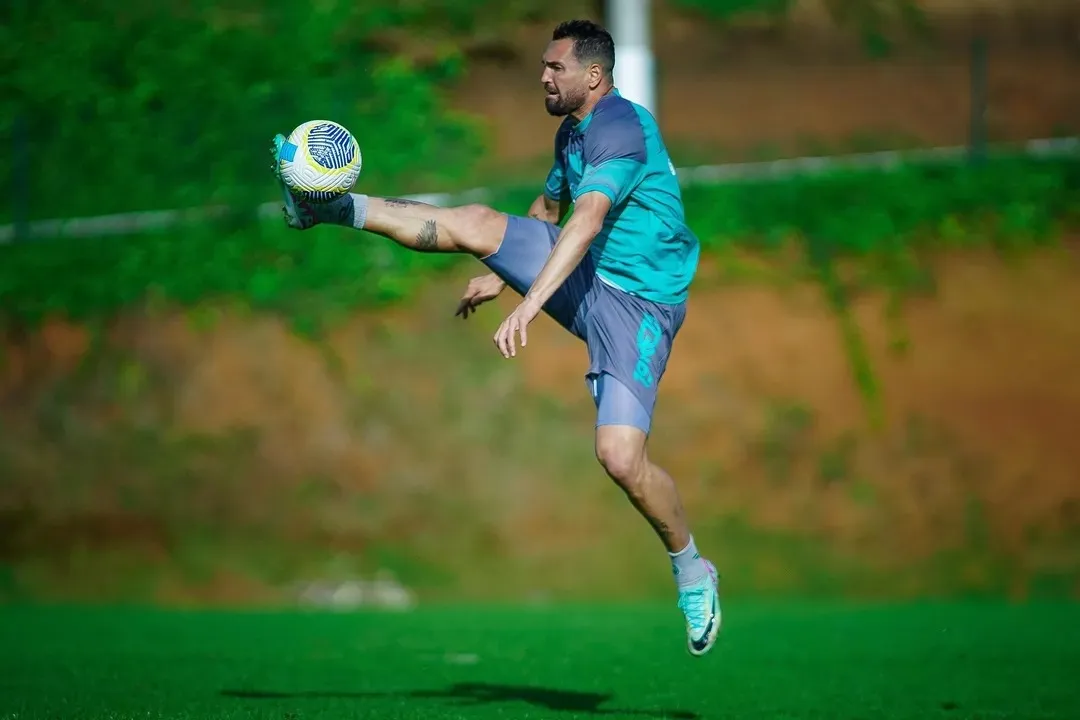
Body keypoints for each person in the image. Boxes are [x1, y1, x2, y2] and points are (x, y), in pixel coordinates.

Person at [270, 19, 721, 657]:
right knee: (477, 222)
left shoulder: (620, 127)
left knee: (620, 457)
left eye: (555, 67)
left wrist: (530, 304)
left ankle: (692, 569)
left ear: (593, 76)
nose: (543, 75)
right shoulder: (574, 133)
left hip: (640, 308)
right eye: (544, 65)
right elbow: (548, 212)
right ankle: (328, 209)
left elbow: (588, 219)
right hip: (586, 274)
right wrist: (500, 274)